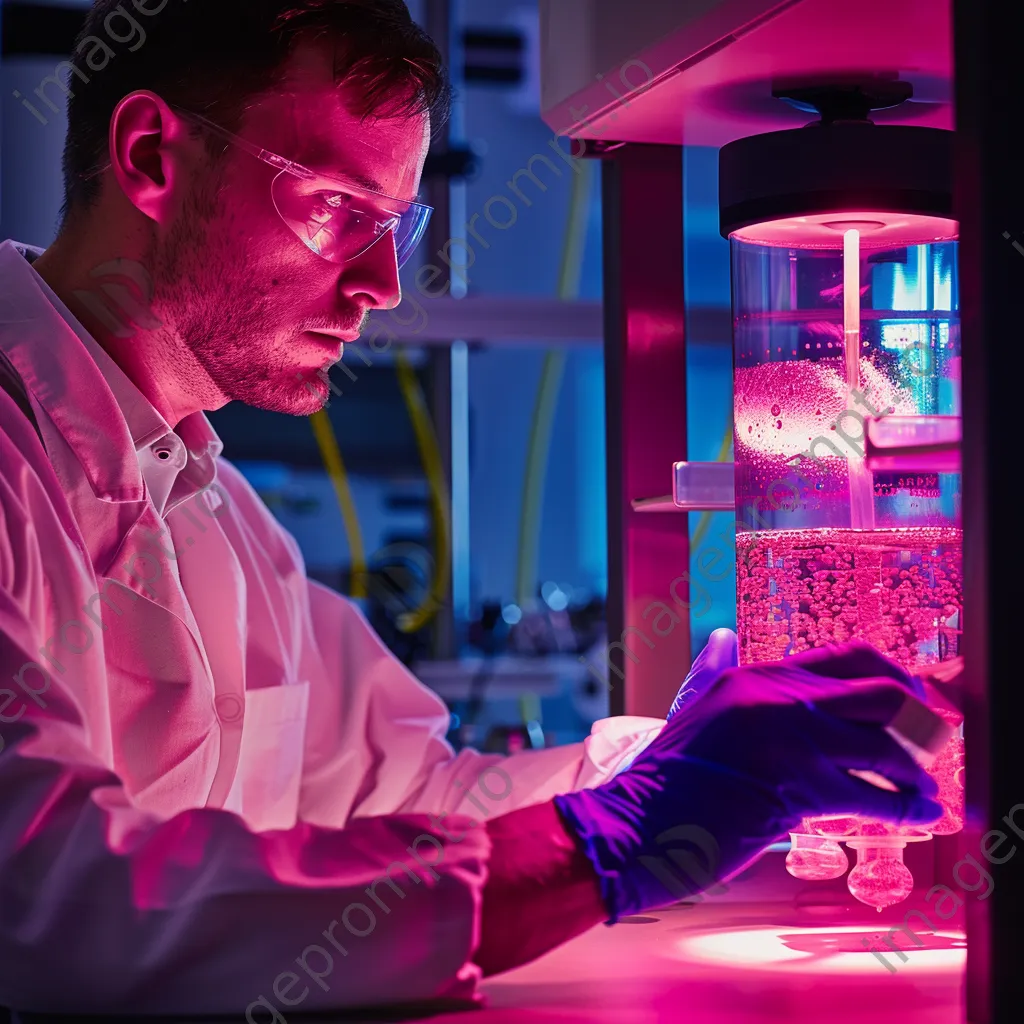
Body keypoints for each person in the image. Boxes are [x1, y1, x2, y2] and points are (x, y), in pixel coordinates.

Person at [0, 1, 942, 1018]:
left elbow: (418, 794)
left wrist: (645, 771)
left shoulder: (215, 517)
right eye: (336, 210)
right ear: (150, 157)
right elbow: (53, 905)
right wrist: (612, 836)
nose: (383, 284)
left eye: (394, 227)